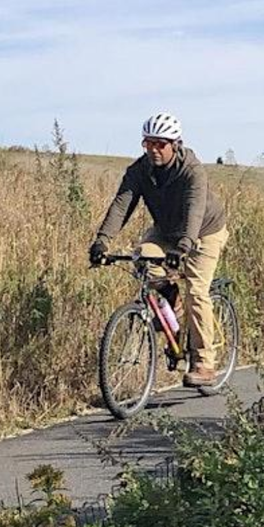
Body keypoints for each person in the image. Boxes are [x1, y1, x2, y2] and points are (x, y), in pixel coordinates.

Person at [89, 112, 231, 386]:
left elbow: (194, 211)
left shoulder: (192, 170)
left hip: (204, 231)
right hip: (166, 229)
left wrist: (183, 247)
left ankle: (204, 362)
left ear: (175, 145)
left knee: (196, 291)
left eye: (160, 144)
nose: (153, 149)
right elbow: (121, 205)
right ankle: (172, 302)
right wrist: (102, 241)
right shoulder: (139, 171)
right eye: (148, 143)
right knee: (142, 258)